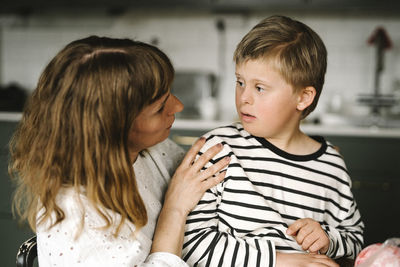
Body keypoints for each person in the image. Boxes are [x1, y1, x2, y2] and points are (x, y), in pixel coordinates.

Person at [9, 36, 230, 267]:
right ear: (112, 129)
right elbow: (181, 201)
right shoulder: (75, 217)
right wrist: (174, 210)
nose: (178, 106)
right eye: (160, 107)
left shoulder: (152, 150)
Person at [182, 15, 364, 267]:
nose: (243, 97)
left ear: (303, 97)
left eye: (259, 88)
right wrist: (280, 261)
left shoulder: (331, 166)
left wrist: (328, 239)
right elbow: (190, 245)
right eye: (240, 82)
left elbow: (355, 241)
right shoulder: (218, 148)